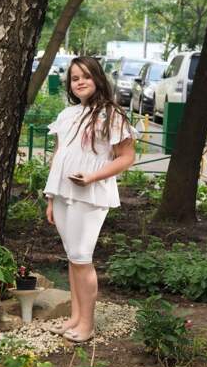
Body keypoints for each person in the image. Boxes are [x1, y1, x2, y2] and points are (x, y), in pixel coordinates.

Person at [43, 56, 138, 343]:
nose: (80, 82)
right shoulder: (67, 115)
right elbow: (59, 155)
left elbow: (126, 157)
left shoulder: (112, 115)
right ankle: (75, 317)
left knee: (82, 257)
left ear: (97, 78)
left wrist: (93, 177)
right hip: (63, 193)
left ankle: (87, 324)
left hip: (90, 194)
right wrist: (50, 196)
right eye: (74, 78)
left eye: (85, 76)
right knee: (73, 258)